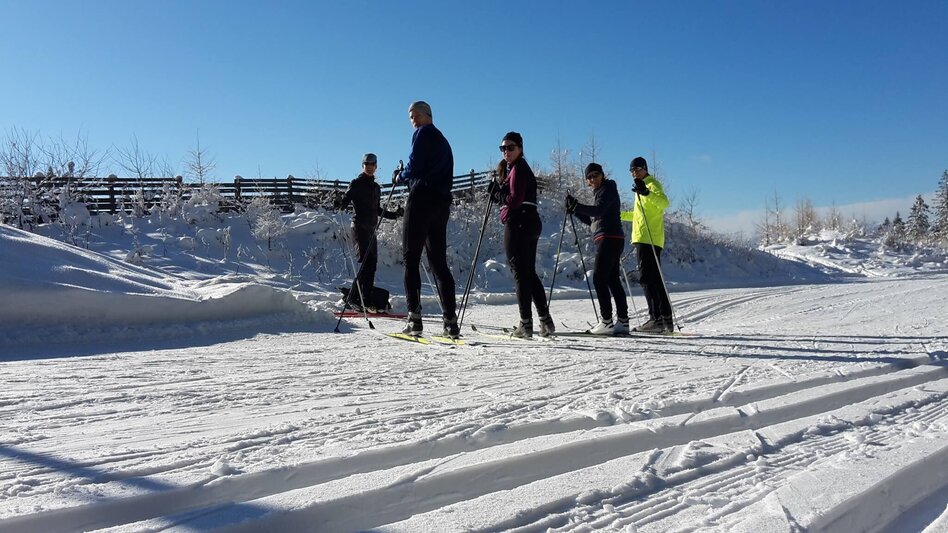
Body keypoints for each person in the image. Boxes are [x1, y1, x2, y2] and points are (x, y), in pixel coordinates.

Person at [393, 100, 459, 338]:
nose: (413, 121)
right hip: (441, 204)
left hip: (421, 200)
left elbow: (415, 165)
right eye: (411, 117)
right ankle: (450, 321)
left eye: (414, 116)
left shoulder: (423, 134)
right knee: (438, 263)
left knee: (410, 258)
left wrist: (401, 176)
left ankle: (415, 318)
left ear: (424, 115)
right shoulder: (444, 141)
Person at [488, 132, 555, 338]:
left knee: (519, 272)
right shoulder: (518, 169)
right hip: (531, 221)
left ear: (520, 148)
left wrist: (497, 194)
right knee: (528, 272)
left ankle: (526, 323)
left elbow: (514, 200)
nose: (506, 152)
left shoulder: (518, 169)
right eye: (503, 148)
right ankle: (545, 320)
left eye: (510, 147)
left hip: (518, 222)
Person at [565, 163, 629, 334]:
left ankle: (607, 322)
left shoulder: (608, 189)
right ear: (587, 181)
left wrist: (577, 206)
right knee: (612, 280)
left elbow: (598, 211)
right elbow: (593, 220)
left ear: (602, 175)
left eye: (595, 175)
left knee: (599, 278)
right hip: (612, 238)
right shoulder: (601, 192)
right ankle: (622, 321)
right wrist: (575, 211)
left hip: (609, 238)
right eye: (590, 177)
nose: (593, 179)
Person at [337, 153, 403, 312]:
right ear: (363, 166)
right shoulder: (356, 183)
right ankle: (353, 298)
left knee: (372, 264)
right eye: (367, 164)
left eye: (372, 164)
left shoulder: (376, 188)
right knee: (366, 263)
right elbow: (346, 200)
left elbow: (378, 210)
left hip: (371, 228)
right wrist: (340, 203)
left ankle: (365, 299)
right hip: (359, 227)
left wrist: (394, 215)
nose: (369, 166)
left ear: (376, 166)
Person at [620, 156, 672, 332]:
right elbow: (638, 214)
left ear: (645, 169)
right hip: (645, 237)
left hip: (648, 238)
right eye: (632, 170)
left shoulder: (651, 184)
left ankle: (656, 319)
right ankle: (664, 318)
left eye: (637, 169)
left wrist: (646, 193)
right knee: (654, 279)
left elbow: (664, 203)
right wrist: (617, 215)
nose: (634, 173)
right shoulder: (642, 187)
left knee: (647, 278)